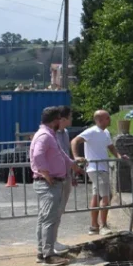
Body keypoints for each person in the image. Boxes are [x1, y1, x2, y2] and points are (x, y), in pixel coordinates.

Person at [30, 106, 80, 266]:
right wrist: (45, 173)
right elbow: (38, 155)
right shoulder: (45, 136)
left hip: (50, 182)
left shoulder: (49, 135)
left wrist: (72, 165)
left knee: (45, 219)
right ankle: (48, 255)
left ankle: (42, 251)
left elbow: (61, 154)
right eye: (59, 119)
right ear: (54, 121)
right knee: (49, 220)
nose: (62, 121)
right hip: (48, 183)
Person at [72, 110, 128, 235]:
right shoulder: (91, 131)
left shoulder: (106, 132)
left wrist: (119, 156)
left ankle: (94, 226)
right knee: (106, 195)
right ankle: (103, 226)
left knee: (97, 195)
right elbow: (75, 141)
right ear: (100, 120)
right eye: (107, 117)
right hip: (95, 168)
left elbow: (110, 147)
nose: (110, 119)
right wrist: (76, 157)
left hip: (101, 167)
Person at [53, 105, 76, 253]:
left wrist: (72, 175)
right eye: (70, 116)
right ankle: (50, 243)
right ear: (63, 119)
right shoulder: (51, 134)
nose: (72, 119)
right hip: (56, 178)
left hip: (66, 177)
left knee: (60, 211)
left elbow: (66, 154)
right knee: (53, 212)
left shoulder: (65, 133)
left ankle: (53, 240)